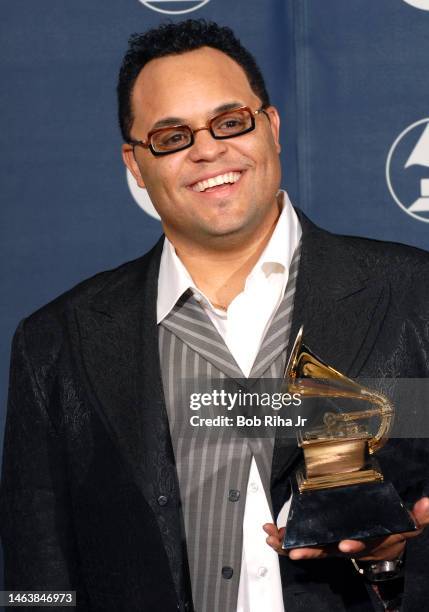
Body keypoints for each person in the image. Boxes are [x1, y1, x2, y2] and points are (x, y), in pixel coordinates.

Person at [1, 19, 429, 612]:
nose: (207, 149)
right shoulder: (55, 343)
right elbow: (33, 576)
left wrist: (393, 556)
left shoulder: (415, 295)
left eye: (230, 123)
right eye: (172, 136)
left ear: (271, 128)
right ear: (135, 163)